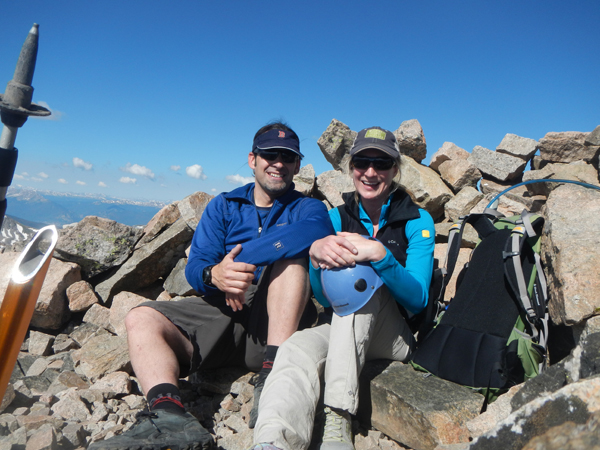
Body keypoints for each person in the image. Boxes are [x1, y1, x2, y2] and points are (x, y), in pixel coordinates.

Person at [89, 122, 334, 450]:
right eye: (269, 154)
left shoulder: (308, 208)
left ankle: (274, 377)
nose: (278, 162)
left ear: (297, 166)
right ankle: (168, 416)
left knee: (291, 264)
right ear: (253, 159)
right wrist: (215, 276)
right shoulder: (224, 205)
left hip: (276, 320)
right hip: (222, 312)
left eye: (287, 157)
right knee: (139, 318)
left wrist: (241, 262)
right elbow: (196, 267)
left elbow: (314, 232)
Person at [248, 126, 435, 450]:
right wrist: (316, 259)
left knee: (358, 289)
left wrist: (382, 256)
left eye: (382, 163)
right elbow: (323, 297)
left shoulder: (416, 220)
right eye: (362, 162)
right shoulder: (336, 218)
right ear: (351, 169)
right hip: (345, 325)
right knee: (297, 347)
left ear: (395, 170)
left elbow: (418, 299)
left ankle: (337, 418)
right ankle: (273, 440)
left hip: (395, 335)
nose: (371, 172)